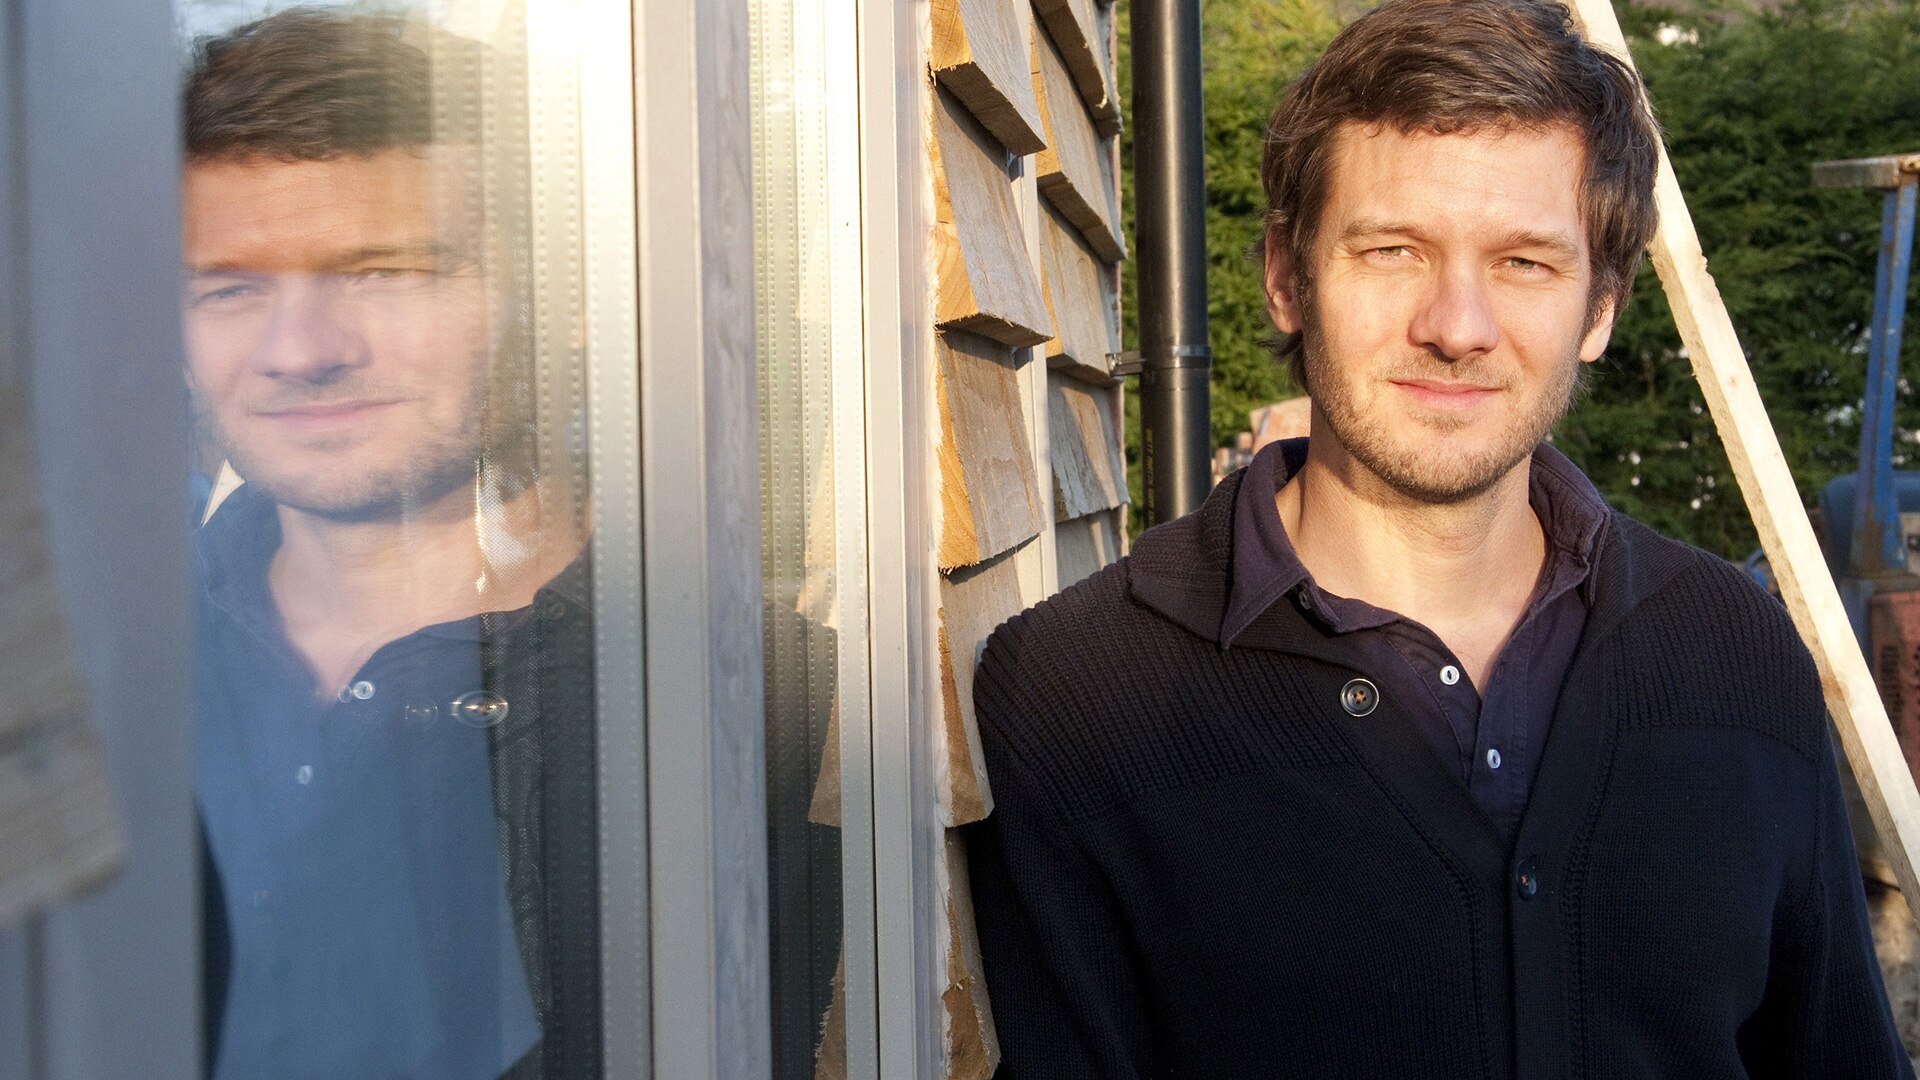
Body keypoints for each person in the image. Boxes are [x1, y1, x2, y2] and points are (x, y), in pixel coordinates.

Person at [964, 0, 1914, 1074]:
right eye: (1393, 250)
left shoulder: (1737, 656)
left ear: (1602, 308)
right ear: (1286, 276)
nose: (1457, 326)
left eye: (1525, 263)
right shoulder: (1079, 698)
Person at [182, 11, 598, 1078]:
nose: (301, 351)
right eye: (230, 288)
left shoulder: (720, 704)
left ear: (555, 301)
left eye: (385, 273)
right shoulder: (107, 673)